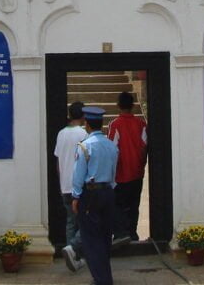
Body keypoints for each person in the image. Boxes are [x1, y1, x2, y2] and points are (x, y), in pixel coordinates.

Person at [71, 106, 119, 285]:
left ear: (87, 124)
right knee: (105, 236)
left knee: (91, 238)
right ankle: (104, 275)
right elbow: (114, 172)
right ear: (101, 124)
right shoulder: (111, 146)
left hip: (90, 194)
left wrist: (76, 197)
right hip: (107, 191)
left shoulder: (85, 146)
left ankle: (102, 279)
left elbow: (78, 175)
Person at [107, 91, 148, 241]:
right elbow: (144, 147)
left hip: (121, 174)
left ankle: (121, 233)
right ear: (133, 105)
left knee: (118, 206)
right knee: (134, 204)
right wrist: (141, 165)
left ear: (118, 105)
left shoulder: (115, 124)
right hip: (137, 172)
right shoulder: (141, 124)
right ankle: (132, 232)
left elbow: (112, 149)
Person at [55, 101, 87, 272]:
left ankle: (71, 252)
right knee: (85, 222)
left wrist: (62, 182)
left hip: (65, 185)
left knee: (70, 222)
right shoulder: (83, 134)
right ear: (83, 116)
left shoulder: (61, 134)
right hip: (79, 185)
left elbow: (58, 161)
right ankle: (74, 250)